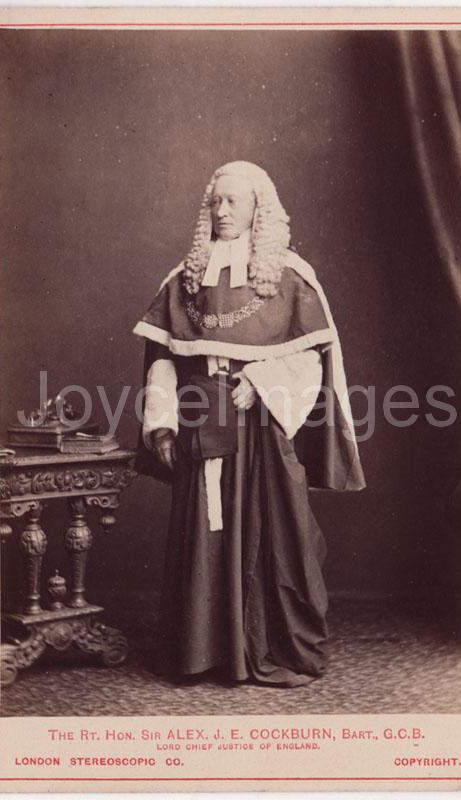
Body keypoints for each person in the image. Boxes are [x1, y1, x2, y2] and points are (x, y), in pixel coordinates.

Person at [133, 161, 365, 687]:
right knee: (204, 534)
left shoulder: (289, 276)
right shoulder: (184, 280)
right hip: (202, 422)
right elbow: (164, 359)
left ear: (259, 209)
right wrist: (163, 424)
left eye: (233, 201)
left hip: (261, 431)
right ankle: (204, 653)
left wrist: (261, 383)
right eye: (215, 201)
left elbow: (310, 359)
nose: (222, 210)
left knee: (275, 534)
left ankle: (266, 643)